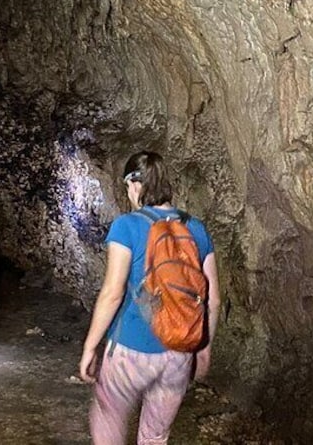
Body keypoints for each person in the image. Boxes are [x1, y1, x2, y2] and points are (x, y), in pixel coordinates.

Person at [79, 151, 220, 444]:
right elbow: (212, 299)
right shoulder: (196, 228)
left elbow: (112, 293)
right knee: (155, 436)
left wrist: (90, 347)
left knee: (109, 416)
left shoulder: (126, 226)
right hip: (179, 351)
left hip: (131, 349)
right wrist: (203, 349)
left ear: (134, 184)